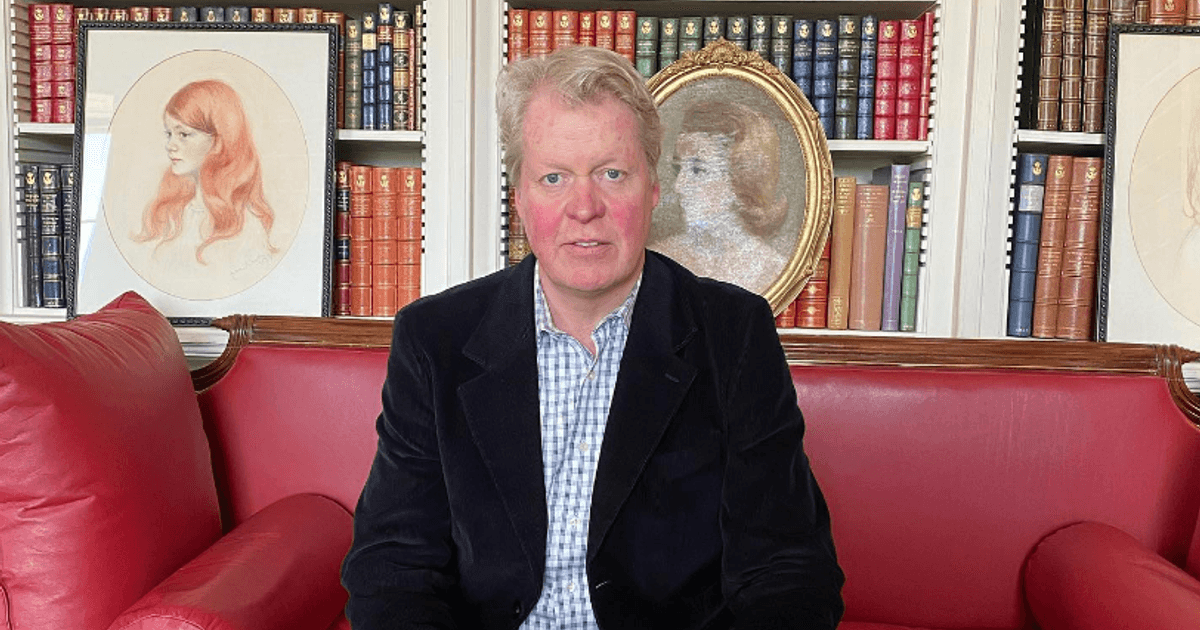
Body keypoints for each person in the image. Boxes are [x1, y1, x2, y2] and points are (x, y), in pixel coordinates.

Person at [341, 45, 844, 629]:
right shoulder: (435, 338)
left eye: (612, 174)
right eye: (554, 177)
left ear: (652, 188)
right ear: (520, 196)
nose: (584, 208)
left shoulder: (733, 334)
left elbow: (787, 569)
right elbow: (393, 565)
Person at [650, 100, 789, 294]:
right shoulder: (660, 259)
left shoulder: (773, 270)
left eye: (698, 170)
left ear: (741, 180)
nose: (679, 186)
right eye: (679, 169)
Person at [132, 79, 276, 267]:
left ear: (219, 140)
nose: (170, 146)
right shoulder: (175, 211)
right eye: (169, 134)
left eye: (183, 134)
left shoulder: (245, 226)